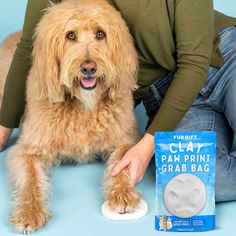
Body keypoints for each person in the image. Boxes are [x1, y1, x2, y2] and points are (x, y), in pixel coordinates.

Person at [0, 0, 236, 201]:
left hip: (224, 60)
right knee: (198, 180)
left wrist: (145, 148)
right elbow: (28, 47)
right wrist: (5, 124)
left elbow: (194, 62)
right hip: (170, 98)